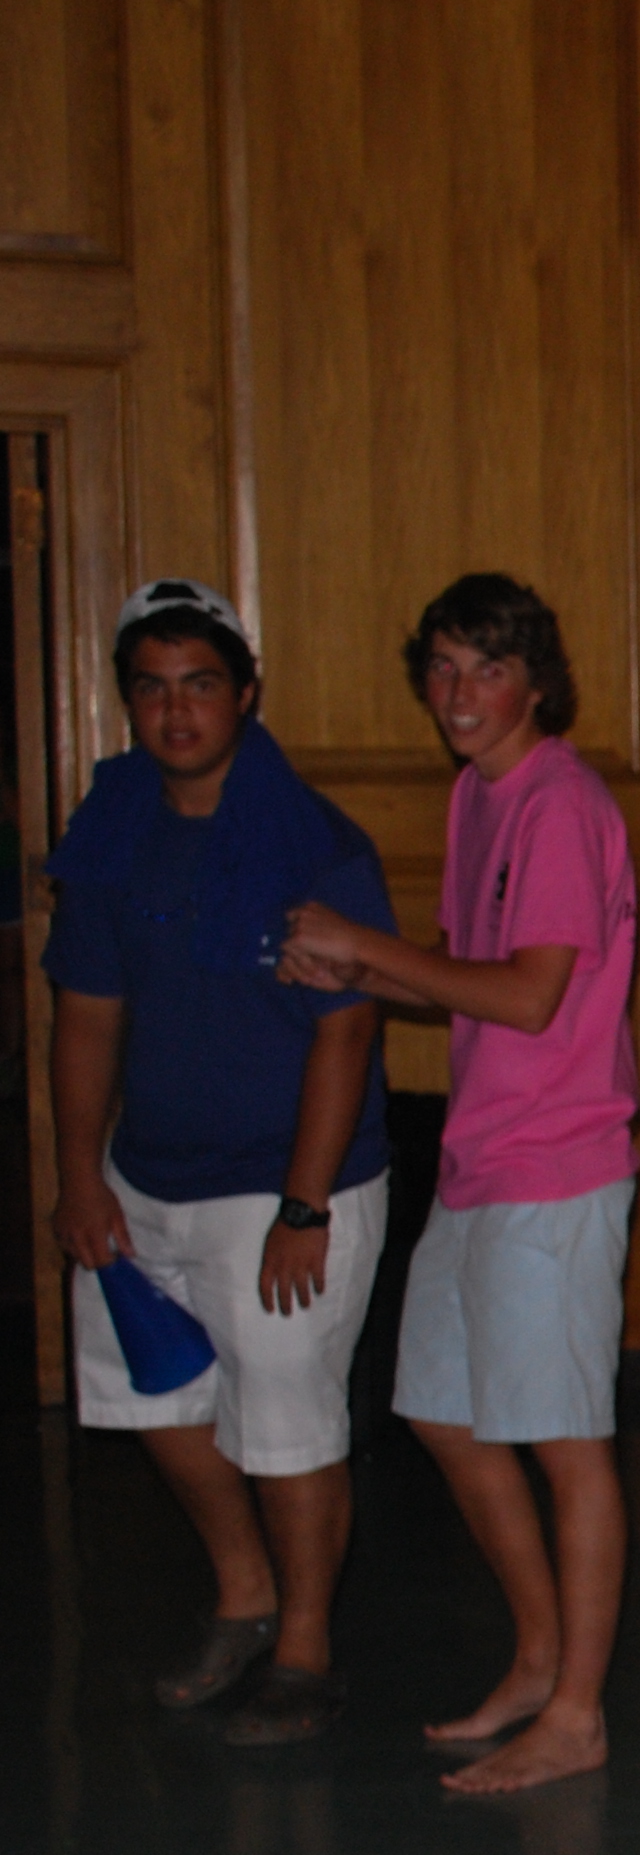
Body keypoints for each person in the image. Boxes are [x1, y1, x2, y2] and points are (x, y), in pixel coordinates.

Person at [282, 574, 640, 1797]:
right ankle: (540, 1658)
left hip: (558, 1162)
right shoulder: (479, 795)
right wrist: (353, 971)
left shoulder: (560, 804)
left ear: (536, 684)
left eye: (487, 668)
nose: (459, 693)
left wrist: (364, 944)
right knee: (441, 1409)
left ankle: (579, 1712)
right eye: (441, 667)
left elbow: (530, 996)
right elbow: (462, 975)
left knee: (567, 1444)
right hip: (484, 1155)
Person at [45, 580, 396, 1747]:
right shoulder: (112, 830)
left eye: (200, 684)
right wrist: (79, 1176)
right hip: (146, 1175)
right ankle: (244, 1597)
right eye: (151, 688)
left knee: (289, 1428)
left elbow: (348, 1030)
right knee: (160, 1400)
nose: (176, 710)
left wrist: (303, 1206)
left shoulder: (315, 844)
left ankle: (306, 1648)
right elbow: (86, 1014)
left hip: (284, 1184)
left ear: (246, 694)